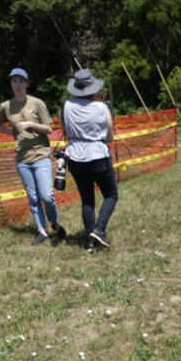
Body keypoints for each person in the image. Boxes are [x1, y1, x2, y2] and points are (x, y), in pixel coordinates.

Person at [0, 67, 65, 245]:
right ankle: (42, 231)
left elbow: (49, 129)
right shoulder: (6, 106)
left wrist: (30, 124)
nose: (17, 84)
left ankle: (54, 222)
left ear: (27, 83)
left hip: (40, 155)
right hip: (22, 159)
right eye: (14, 80)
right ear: (10, 83)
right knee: (32, 198)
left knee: (47, 195)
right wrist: (11, 132)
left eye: (20, 81)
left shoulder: (37, 103)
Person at [61, 68, 117, 252]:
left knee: (87, 199)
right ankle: (99, 229)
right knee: (110, 194)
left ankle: (90, 240)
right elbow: (109, 134)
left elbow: (64, 129)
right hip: (97, 154)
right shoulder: (102, 107)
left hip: (75, 155)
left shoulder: (66, 106)